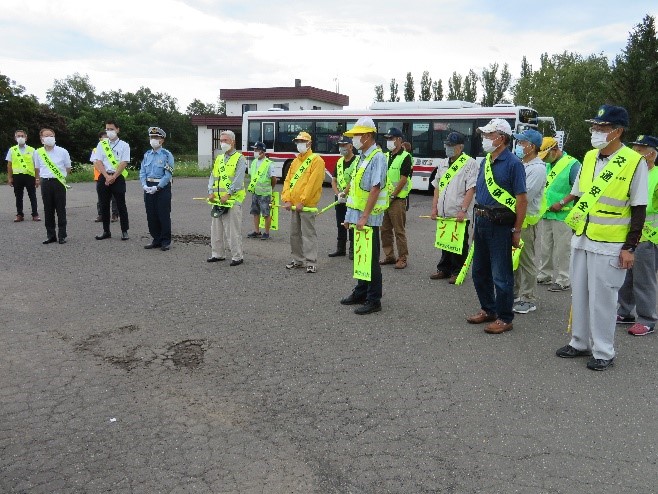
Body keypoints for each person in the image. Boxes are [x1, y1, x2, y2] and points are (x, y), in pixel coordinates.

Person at [556, 104, 647, 371]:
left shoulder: (633, 161)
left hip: (610, 243)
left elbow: (638, 207)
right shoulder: (589, 157)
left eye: (602, 127)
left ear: (617, 131)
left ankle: (604, 351)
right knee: (580, 294)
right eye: (594, 126)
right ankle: (579, 341)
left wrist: (630, 246)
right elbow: (581, 194)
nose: (595, 131)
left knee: (604, 299)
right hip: (583, 237)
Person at [466, 118, 527, 334]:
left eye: (489, 135)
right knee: (479, 271)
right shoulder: (485, 162)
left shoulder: (513, 164)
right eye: (485, 135)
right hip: (481, 221)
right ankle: (488, 309)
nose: (485, 139)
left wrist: (517, 230)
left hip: (500, 224)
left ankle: (504, 317)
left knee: (501, 275)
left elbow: (521, 199)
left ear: (501, 138)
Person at [340, 117, 388, 314]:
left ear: (368, 136)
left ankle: (374, 299)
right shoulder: (362, 156)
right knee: (361, 256)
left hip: (368, 218)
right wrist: (350, 217)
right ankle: (361, 291)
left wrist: (364, 216)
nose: (354, 140)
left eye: (357, 135)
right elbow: (357, 190)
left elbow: (375, 189)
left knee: (370, 258)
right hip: (358, 216)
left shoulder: (378, 157)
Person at [616, 134, 658, 336]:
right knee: (625, 276)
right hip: (626, 233)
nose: (636, 153)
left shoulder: (656, 176)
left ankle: (647, 319)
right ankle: (625, 312)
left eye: (641, 150)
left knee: (644, 279)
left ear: (652, 153)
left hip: (648, 236)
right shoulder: (631, 172)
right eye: (634, 148)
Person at [429, 132, 477, 284]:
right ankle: (444, 269)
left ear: (460, 147)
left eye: (451, 146)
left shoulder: (470, 163)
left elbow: (471, 188)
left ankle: (458, 271)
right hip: (444, 210)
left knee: (459, 243)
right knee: (445, 241)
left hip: (458, 211)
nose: (448, 148)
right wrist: (434, 208)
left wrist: (463, 209)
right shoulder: (443, 163)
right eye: (446, 145)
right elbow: (436, 187)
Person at [536, 137, 581, 292]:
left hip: (563, 213)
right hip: (547, 212)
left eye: (547, 155)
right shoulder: (548, 164)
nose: (545, 159)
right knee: (545, 247)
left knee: (563, 248)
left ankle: (563, 279)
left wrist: (562, 202)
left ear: (554, 150)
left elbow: (578, 189)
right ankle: (545, 274)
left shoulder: (572, 164)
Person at [511, 129, 546, 314]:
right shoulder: (522, 164)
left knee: (526, 261)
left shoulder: (538, 168)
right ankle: (515, 294)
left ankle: (528, 298)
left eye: (522, 143)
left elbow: (525, 195)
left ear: (532, 146)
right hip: (515, 218)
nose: (519, 146)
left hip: (526, 221)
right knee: (514, 259)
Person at [281, 131, 325, 273]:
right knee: (294, 234)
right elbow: (287, 181)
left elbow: (313, 184)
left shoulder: (316, 160)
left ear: (309, 143)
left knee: (308, 234)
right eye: (298, 142)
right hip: (294, 205)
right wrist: (286, 199)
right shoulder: (295, 161)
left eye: (302, 141)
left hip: (306, 206)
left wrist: (303, 201)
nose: (299, 144)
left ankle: (311, 261)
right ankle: (298, 260)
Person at [207, 130, 246, 266]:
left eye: (226, 140)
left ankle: (237, 256)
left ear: (233, 142)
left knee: (232, 230)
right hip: (217, 199)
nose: (223, 143)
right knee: (216, 229)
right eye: (221, 140)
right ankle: (217, 254)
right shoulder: (219, 158)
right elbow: (213, 176)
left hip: (232, 200)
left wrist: (229, 193)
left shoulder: (240, 158)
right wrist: (210, 191)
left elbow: (238, 178)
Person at [380, 128, 413, 269]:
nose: (389, 141)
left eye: (391, 138)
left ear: (399, 140)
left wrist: (393, 195)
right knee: (384, 229)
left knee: (399, 230)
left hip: (397, 200)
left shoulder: (405, 156)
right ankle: (389, 255)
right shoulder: (385, 156)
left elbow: (403, 179)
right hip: (384, 199)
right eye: (387, 139)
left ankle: (402, 258)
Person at [32, 128, 71, 244]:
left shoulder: (63, 151)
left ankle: (62, 235)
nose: (49, 137)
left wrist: (61, 177)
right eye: (46, 136)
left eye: (51, 135)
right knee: (48, 209)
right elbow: (37, 168)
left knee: (60, 209)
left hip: (59, 182)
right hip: (45, 182)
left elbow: (68, 168)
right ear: (42, 139)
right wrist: (37, 179)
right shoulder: (38, 152)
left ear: (54, 137)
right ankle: (51, 235)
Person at [94, 119, 130, 240]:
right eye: (107, 129)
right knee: (104, 205)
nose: (109, 131)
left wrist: (114, 176)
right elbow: (98, 161)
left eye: (112, 129)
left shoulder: (124, 145)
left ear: (117, 129)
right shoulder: (101, 144)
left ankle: (124, 231)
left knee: (121, 205)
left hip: (117, 177)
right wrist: (106, 176)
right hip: (104, 176)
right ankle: (106, 231)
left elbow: (124, 162)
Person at [139, 127, 174, 251]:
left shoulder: (166, 155)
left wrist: (158, 187)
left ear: (162, 140)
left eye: (156, 138)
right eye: (152, 137)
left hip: (162, 187)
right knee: (151, 214)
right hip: (148, 186)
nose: (153, 140)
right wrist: (144, 185)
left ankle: (165, 241)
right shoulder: (147, 154)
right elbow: (142, 172)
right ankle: (156, 239)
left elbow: (168, 174)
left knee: (163, 214)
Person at [328, 136, 358, 258]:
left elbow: (354, 180)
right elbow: (333, 180)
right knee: (340, 223)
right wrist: (338, 194)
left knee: (351, 223)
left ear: (350, 146)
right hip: (340, 198)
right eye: (340, 146)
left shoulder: (357, 161)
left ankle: (352, 249)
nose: (341, 148)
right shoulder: (339, 162)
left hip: (352, 198)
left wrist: (345, 193)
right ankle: (340, 248)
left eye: (344, 145)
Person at [6, 129, 40, 222]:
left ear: (26, 137)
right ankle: (19, 214)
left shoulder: (32, 150)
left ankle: (35, 214)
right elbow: (9, 165)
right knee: (18, 196)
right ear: (15, 138)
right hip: (17, 176)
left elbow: (36, 165)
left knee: (32, 195)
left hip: (30, 176)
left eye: (22, 136)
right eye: (18, 136)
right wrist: (9, 177)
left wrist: (37, 178)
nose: (20, 137)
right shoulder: (12, 150)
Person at [246, 141, 276, 240]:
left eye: (256, 150)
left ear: (262, 151)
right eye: (254, 149)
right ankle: (257, 231)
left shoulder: (269, 164)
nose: (254, 151)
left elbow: (274, 179)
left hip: (265, 193)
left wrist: (270, 188)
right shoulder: (254, 162)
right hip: (255, 191)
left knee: (266, 213)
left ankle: (266, 233)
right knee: (255, 212)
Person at [91, 131, 118, 223]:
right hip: (100, 176)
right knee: (101, 198)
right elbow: (95, 162)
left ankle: (115, 214)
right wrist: (104, 174)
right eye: (103, 137)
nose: (106, 138)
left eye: (107, 136)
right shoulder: (96, 149)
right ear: (100, 139)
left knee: (115, 197)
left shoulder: (114, 148)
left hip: (113, 175)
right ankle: (101, 215)